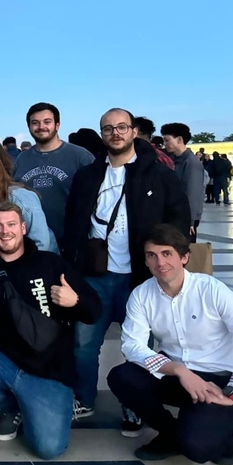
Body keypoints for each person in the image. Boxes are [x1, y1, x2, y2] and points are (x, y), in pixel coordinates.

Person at [62, 108, 191, 426]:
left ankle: (134, 402)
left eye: (121, 127)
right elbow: (73, 221)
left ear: (134, 131)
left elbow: (178, 217)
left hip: (139, 278)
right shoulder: (88, 175)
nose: (115, 133)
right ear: (102, 134)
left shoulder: (158, 174)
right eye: (108, 129)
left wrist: (168, 262)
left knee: (139, 346)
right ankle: (84, 398)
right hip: (95, 276)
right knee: (83, 344)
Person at [0, 202, 102, 459]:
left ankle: (36, 404)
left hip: (49, 370)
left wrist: (75, 301)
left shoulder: (51, 264)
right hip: (3, 359)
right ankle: (11, 407)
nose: (5, 231)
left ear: (23, 228)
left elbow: (94, 311)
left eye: (11, 224)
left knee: (49, 449)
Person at [107, 224, 233, 465]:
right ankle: (171, 433)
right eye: (152, 255)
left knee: (198, 450)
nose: (160, 262)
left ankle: (222, 429)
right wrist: (179, 370)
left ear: (184, 257)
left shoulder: (211, 290)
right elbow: (132, 345)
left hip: (217, 380)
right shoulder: (142, 295)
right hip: (176, 375)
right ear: (146, 261)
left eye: (167, 253)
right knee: (122, 376)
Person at [13, 103, 95, 246]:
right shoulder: (21, 159)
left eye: (47, 122)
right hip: (35, 243)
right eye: (35, 123)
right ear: (29, 127)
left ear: (57, 125)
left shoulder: (81, 157)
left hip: (72, 241)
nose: (41, 127)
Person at [0, 150, 57, 258]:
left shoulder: (20, 197)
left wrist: (25, 266)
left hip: (37, 261)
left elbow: (41, 241)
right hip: (1, 263)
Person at [160, 123, 204, 240]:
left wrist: (190, 221)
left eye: (167, 140)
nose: (164, 144)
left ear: (179, 139)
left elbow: (193, 193)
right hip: (175, 214)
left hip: (185, 218)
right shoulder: (172, 159)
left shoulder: (191, 163)